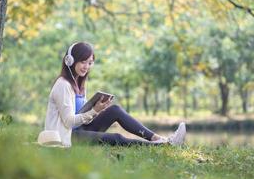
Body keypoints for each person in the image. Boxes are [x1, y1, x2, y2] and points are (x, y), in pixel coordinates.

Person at [43, 41, 186, 147]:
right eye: (83, 62)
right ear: (70, 60)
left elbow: (81, 118)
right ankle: (163, 146)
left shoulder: (79, 84)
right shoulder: (63, 84)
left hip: (78, 131)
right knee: (116, 137)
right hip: (65, 137)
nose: (86, 66)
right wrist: (94, 111)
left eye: (90, 62)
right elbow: (68, 122)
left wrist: (97, 111)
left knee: (115, 110)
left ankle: (156, 138)